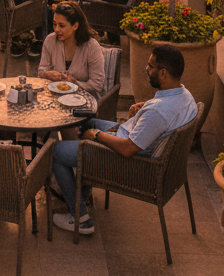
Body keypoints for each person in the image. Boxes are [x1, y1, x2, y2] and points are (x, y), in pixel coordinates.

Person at [50, 43, 197, 234]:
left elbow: (128, 149)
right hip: (128, 135)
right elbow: (161, 117)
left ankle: (80, 218)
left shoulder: (158, 112)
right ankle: (81, 194)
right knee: (85, 123)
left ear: (163, 73)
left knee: (55, 152)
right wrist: (144, 110)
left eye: (150, 66)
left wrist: (97, 136)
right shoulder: (185, 96)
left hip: (125, 159)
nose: (146, 69)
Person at [38, 2, 105, 96]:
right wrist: (46, 74)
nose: (56, 29)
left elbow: (97, 85)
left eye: (62, 25)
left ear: (75, 26)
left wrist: (75, 83)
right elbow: (41, 72)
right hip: (56, 97)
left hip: (84, 99)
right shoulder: (50, 40)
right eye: (54, 24)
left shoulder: (91, 47)